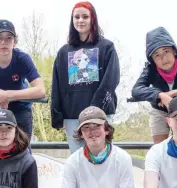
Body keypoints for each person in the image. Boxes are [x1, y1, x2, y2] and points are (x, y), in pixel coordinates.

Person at [51, 1, 120, 153]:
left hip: (101, 114)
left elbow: (111, 80)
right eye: (76, 17)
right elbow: (56, 85)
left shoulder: (107, 47)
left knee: (102, 158)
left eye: (85, 16)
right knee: (78, 161)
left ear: (93, 19)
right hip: (72, 116)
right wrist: (56, 114)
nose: (80, 20)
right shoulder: (63, 52)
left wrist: (95, 109)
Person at [62, 106, 134, 188]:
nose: (92, 131)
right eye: (86, 127)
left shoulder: (123, 158)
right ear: (81, 134)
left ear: (106, 130)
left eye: (97, 126)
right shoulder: (72, 162)